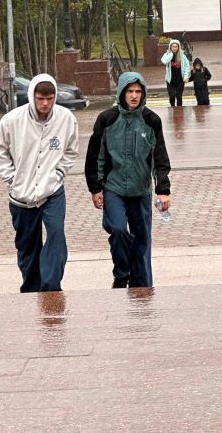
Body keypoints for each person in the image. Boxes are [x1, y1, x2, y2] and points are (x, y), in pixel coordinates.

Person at [0, 74, 79, 292]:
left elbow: (71, 150)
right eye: (40, 98)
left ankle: (50, 286)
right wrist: (12, 179)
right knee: (27, 245)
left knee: (56, 233)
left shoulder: (66, 119)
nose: (45, 104)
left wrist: (59, 172)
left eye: (50, 98)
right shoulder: (11, 121)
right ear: (32, 96)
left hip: (52, 191)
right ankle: (31, 288)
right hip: (21, 194)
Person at [85, 72, 172, 288]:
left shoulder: (151, 121)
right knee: (117, 228)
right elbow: (95, 156)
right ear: (122, 93)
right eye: (130, 91)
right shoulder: (106, 119)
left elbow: (159, 158)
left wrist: (163, 190)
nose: (134, 96)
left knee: (142, 242)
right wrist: (95, 188)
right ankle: (122, 273)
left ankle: (141, 287)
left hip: (140, 190)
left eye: (138, 92)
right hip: (113, 188)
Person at [161, 39, 190, 107]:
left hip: (180, 80)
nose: (174, 48)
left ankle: (179, 110)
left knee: (179, 96)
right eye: (173, 46)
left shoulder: (182, 56)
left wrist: (186, 76)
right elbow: (164, 61)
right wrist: (171, 54)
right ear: (170, 47)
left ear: (178, 47)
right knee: (172, 96)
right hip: (170, 80)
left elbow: (187, 66)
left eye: (176, 46)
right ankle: (172, 108)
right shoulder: (167, 54)